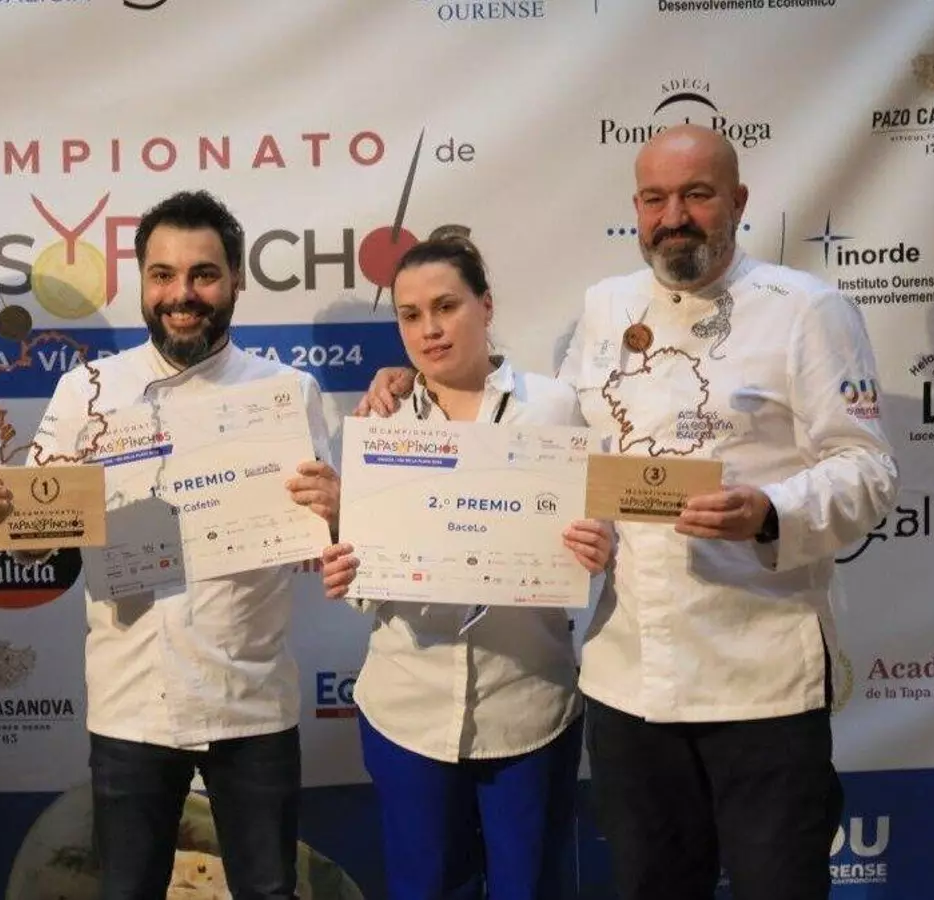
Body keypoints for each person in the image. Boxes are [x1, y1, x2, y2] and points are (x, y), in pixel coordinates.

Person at [349, 124, 899, 900]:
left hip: (760, 682)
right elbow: (551, 446)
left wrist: (769, 509)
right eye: (654, 199)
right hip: (628, 682)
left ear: (738, 201)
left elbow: (868, 470)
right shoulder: (606, 307)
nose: (674, 216)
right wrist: (412, 384)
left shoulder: (807, 309)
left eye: (697, 195)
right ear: (636, 208)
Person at [0, 190, 341, 900]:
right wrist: (1, 515)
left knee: (268, 892)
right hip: (131, 701)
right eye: (163, 275)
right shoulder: (87, 392)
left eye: (204, 275)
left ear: (236, 281)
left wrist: (336, 513)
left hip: (251, 700)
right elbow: (40, 547)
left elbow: (320, 541)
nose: (182, 295)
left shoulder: (289, 393)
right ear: (143, 282)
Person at [316, 229, 611, 900]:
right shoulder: (381, 424)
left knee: (530, 889)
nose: (429, 329)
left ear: (486, 305)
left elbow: (595, 540)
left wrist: (599, 548)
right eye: (410, 315)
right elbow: (367, 578)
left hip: (528, 706)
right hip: (407, 710)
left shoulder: (552, 408)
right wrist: (346, 567)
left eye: (446, 307)